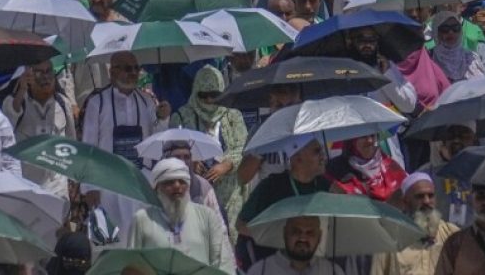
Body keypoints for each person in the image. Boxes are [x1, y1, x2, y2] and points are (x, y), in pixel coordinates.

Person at [127, 157, 235, 274]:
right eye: (169, 182)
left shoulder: (207, 216)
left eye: (182, 181)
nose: (177, 186)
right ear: (156, 188)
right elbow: (132, 265)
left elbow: (222, 262)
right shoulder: (142, 219)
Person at [171, 65, 248, 223]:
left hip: (230, 195)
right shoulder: (180, 117)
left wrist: (227, 164)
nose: (209, 100)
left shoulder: (233, 115)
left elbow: (244, 147)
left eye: (214, 95)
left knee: (229, 241)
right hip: (194, 194)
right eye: (203, 95)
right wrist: (189, 162)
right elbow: (171, 150)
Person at [2, 60, 76, 196]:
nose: (45, 77)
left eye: (48, 71)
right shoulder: (16, 102)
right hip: (27, 185)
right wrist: (22, 89)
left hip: (58, 185)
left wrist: (73, 179)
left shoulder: (63, 103)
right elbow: (9, 119)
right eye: (39, 72)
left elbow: (72, 142)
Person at [373, 171, 459, 275]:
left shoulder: (450, 234)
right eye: (420, 196)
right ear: (405, 202)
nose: (426, 201)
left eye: (430, 196)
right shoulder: (389, 239)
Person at [325, 132, 406, 202]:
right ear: (352, 141)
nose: (370, 140)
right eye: (363, 136)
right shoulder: (336, 169)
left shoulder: (390, 165)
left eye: (372, 136)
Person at [253, 216, 344, 275]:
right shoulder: (260, 270)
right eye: (296, 231)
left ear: (319, 236)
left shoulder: (333, 271)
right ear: (285, 233)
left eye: (310, 232)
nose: (303, 238)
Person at [429, 10, 485, 83]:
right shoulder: (430, 59)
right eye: (445, 29)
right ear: (436, 31)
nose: (451, 32)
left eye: (455, 28)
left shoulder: (471, 58)